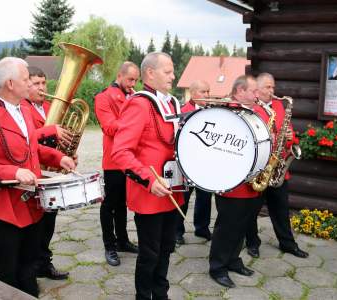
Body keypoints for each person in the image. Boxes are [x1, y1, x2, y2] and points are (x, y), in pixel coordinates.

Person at [0, 57, 76, 297]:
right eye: (26, 80)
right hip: (6, 213)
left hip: (33, 207)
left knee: (29, 269)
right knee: (7, 276)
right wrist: (12, 172)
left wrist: (57, 157)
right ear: (11, 84)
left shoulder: (24, 108)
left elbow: (30, 147)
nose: (32, 86)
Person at [111, 52, 184, 300]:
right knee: (149, 254)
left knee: (166, 249)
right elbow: (121, 152)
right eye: (168, 71)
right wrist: (149, 179)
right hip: (149, 192)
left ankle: (160, 294)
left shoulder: (173, 102)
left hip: (173, 190)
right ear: (150, 73)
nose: (173, 76)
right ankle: (143, 296)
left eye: (173, 71)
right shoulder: (139, 104)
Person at [245, 72, 309, 259]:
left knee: (281, 209)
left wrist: (291, 137)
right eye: (268, 87)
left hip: (278, 167)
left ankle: (287, 243)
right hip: (259, 169)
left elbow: (287, 131)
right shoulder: (251, 109)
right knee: (252, 210)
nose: (272, 91)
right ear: (257, 89)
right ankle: (252, 242)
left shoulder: (279, 106)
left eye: (273, 87)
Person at [208, 75, 263, 288]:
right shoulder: (226, 112)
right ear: (240, 91)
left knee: (242, 225)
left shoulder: (254, 112)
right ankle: (217, 267)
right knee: (227, 226)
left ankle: (233, 260)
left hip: (251, 181)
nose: (257, 95)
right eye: (253, 91)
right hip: (231, 182)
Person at [21, 66, 73, 280]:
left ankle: (44, 262)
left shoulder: (52, 106)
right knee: (35, 223)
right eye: (36, 84)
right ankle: (30, 264)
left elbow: (58, 142)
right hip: (32, 173)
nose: (42, 88)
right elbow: (26, 136)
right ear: (26, 85)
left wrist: (66, 154)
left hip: (52, 172)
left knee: (49, 221)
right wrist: (50, 130)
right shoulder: (21, 107)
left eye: (44, 83)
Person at [94, 62, 140, 266]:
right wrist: (135, 124)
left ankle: (122, 240)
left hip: (131, 159)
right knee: (110, 205)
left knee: (123, 204)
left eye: (136, 80)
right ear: (119, 76)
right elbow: (110, 127)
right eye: (130, 79)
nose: (133, 84)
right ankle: (109, 246)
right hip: (113, 160)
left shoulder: (134, 96)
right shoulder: (103, 97)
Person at [175, 80, 213, 246]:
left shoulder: (211, 111)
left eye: (208, 91)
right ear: (194, 93)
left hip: (205, 163)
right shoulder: (182, 111)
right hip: (187, 163)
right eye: (204, 92)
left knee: (205, 197)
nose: (207, 95)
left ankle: (202, 228)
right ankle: (177, 232)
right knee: (183, 197)